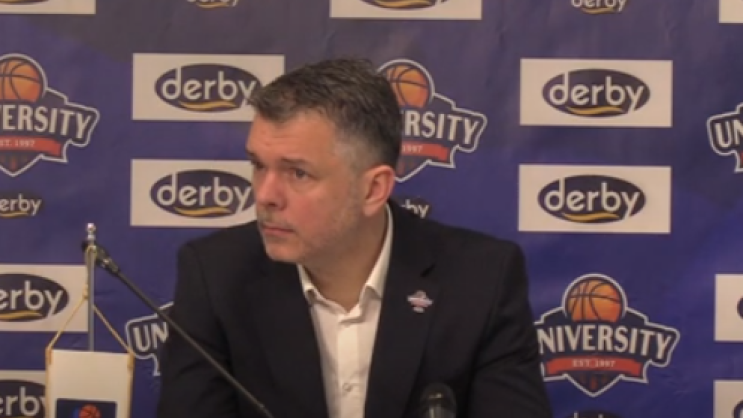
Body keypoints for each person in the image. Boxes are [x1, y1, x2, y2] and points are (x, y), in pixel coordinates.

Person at [156, 57, 553, 418]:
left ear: (373, 189)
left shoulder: (480, 280)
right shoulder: (215, 276)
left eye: (298, 173)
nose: (264, 195)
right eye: (259, 166)